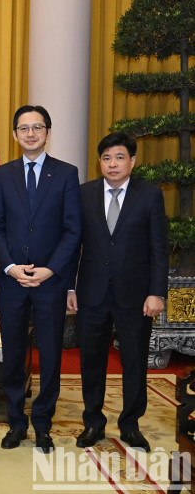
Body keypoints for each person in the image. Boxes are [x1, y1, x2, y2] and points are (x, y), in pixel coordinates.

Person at [67, 132, 167, 453]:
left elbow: (159, 247)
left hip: (135, 296)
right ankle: (93, 423)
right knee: (91, 361)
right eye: (107, 158)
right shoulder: (84, 194)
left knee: (134, 361)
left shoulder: (149, 195)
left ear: (132, 161)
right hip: (92, 293)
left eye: (120, 157)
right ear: (100, 162)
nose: (113, 164)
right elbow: (72, 243)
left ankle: (130, 425)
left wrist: (157, 292)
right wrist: (70, 285)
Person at [0, 105, 82, 453]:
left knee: (51, 356)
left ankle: (43, 423)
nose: (30, 134)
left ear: (48, 132)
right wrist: (10, 266)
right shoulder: (3, 174)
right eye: (24, 128)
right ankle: (16, 423)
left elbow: (73, 230)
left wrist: (51, 269)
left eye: (37, 127)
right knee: (13, 356)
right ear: (15, 134)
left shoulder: (66, 173)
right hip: (13, 281)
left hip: (50, 282)